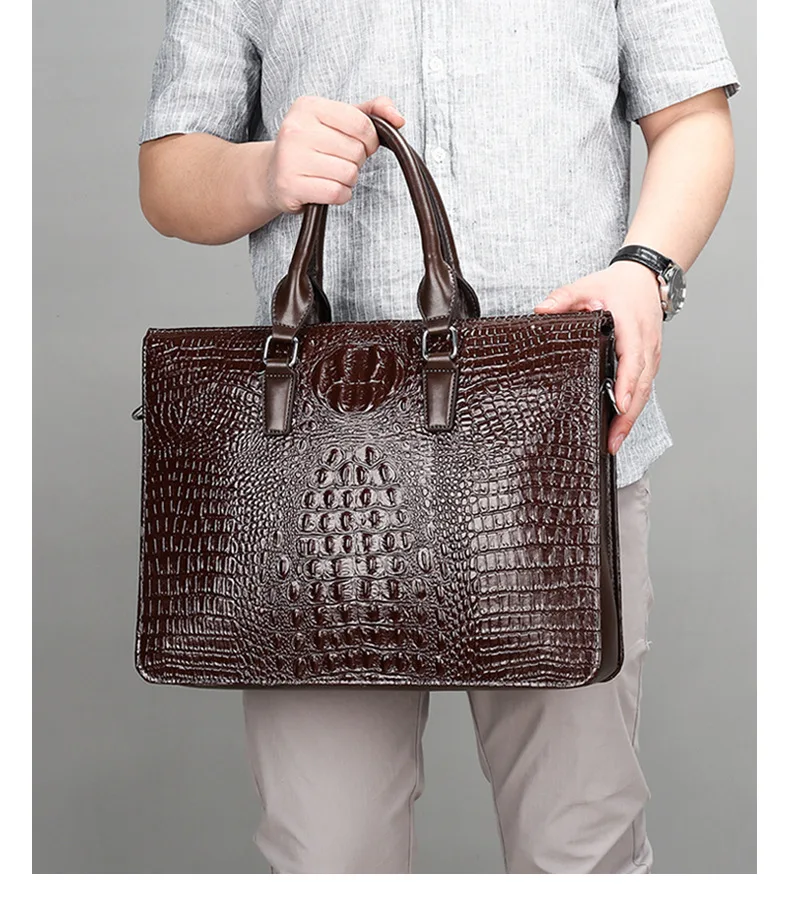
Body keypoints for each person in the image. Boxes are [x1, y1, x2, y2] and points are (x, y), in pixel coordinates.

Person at [137, 0, 738, 874]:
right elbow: (167, 174)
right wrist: (265, 171)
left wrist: (646, 269)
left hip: (556, 457)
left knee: (582, 855)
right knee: (329, 864)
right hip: (318, 483)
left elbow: (691, 115)